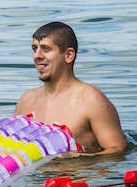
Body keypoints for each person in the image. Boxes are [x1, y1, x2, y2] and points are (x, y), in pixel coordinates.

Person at [14, 22, 127, 156]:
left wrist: (78, 157)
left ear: (68, 55)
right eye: (34, 48)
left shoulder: (91, 101)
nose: (36, 56)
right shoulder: (26, 100)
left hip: (78, 174)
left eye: (45, 49)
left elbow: (117, 151)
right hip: (38, 176)